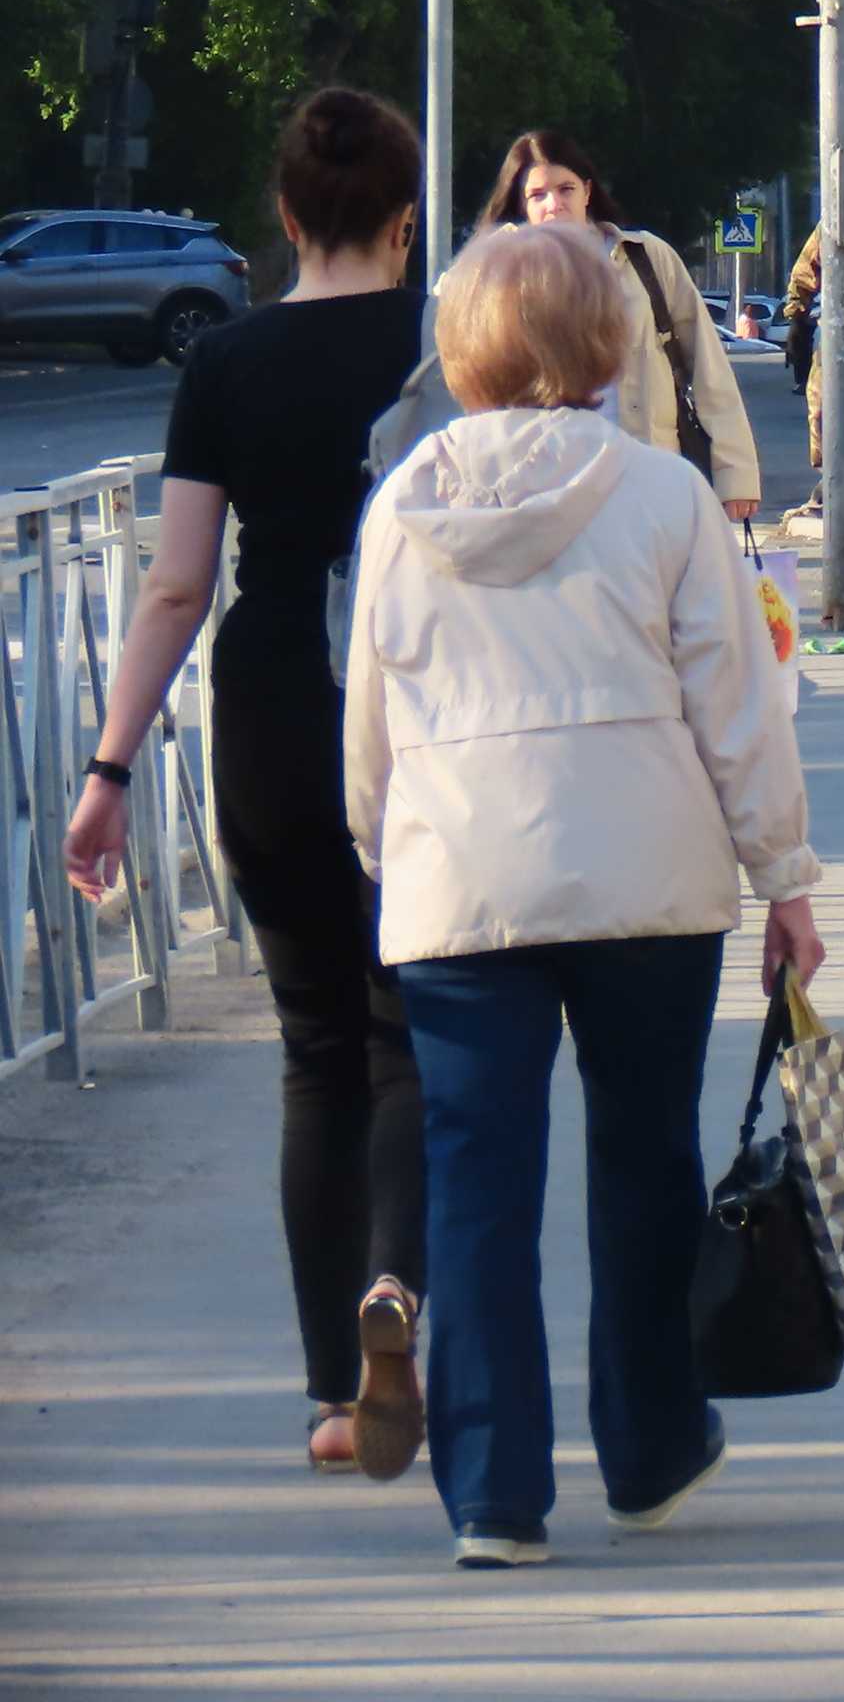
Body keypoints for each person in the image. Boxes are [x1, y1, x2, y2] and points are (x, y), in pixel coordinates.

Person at [342, 223, 823, 1571]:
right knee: (645, 1161)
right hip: (646, 881)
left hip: (460, 884)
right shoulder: (663, 496)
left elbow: (369, 718)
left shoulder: (402, 507)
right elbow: (737, 707)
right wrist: (784, 877)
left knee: (475, 1186)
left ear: (463, 351)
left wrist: (385, 854)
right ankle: (652, 1452)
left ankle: (494, 1497)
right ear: (605, 344)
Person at [62, 90, 430, 1480]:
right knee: (410, 1041)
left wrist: (109, 767)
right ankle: (398, 1287)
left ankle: (335, 1394)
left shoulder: (225, 360)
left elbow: (175, 584)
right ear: (406, 220)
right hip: (423, 724)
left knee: (316, 1050)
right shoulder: (445, 346)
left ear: (284, 217)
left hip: (273, 714)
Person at [479, 132, 761, 521]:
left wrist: (735, 474)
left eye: (565, 189)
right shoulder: (501, 273)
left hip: (646, 476)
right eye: (537, 195)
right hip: (546, 487)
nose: (554, 205)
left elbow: (709, 369)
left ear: (587, 191)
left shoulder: (645, 257)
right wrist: (497, 252)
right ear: (520, 205)